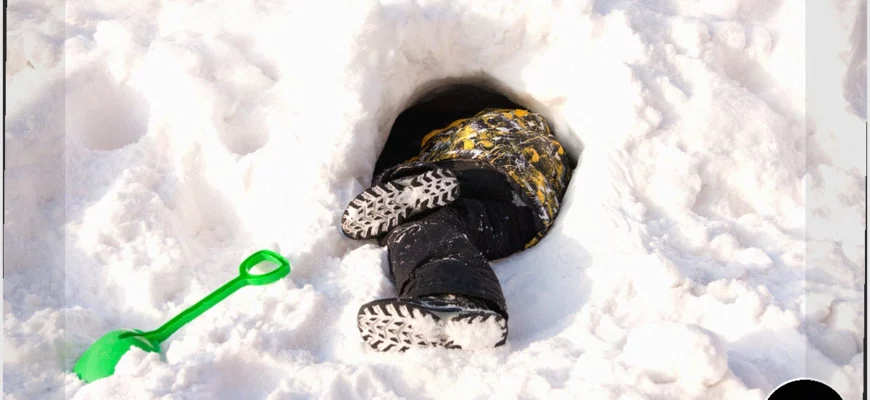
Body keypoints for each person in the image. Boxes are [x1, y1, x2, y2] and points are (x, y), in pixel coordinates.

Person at [340, 85, 573, 352]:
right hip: (524, 209)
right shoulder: (538, 140)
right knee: (434, 219)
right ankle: (451, 303)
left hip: (479, 170)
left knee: (423, 216)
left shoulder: (448, 138)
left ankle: (450, 292)